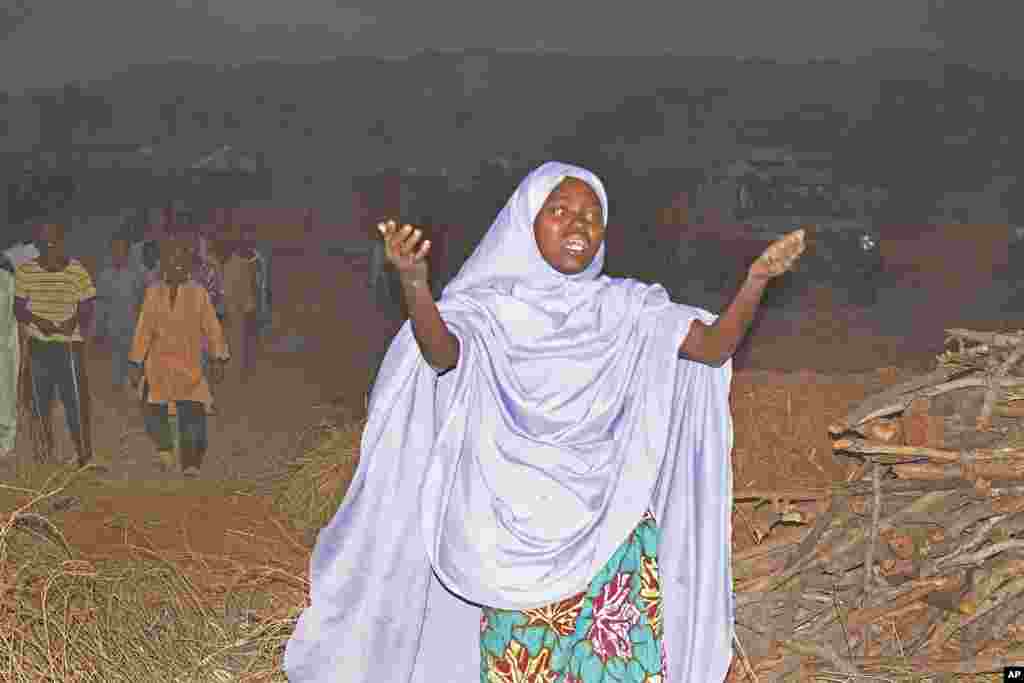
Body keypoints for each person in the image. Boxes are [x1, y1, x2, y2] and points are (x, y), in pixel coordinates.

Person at [284, 162, 805, 683]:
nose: (578, 225)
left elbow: (712, 349)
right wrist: (415, 287)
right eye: (559, 211)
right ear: (526, 221)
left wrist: (755, 281)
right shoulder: (490, 309)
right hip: (512, 541)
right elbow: (442, 354)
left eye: (591, 215)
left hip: (613, 530)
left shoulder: (627, 307)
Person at [128, 236, 228, 477]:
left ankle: (191, 462)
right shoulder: (153, 293)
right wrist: (135, 362)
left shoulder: (199, 294)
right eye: (170, 261)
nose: (176, 266)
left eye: (181, 261)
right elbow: (144, 329)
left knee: (193, 413)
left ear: (188, 265)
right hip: (158, 364)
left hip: (189, 363)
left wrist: (217, 358)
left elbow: (212, 328)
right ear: (162, 265)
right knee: (153, 409)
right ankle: (165, 450)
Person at [14, 223, 98, 466]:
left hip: (70, 345)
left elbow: (88, 304)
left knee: (76, 401)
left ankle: (84, 455)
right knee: (40, 402)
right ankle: (44, 453)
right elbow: (19, 309)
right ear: (38, 244)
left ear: (63, 241)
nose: (50, 246)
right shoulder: (26, 271)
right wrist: (40, 322)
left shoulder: (77, 271)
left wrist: (75, 320)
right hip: (38, 344)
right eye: (45, 241)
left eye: (55, 240)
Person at [0, 241, 39, 457]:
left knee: (6, 395)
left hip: (6, 348)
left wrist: (23, 350)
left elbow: (19, 319)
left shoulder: (9, 282)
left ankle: (6, 444)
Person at [94, 233, 146, 393]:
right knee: (116, 377)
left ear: (127, 251)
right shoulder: (104, 276)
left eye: (122, 249)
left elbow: (142, 304)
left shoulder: (136, 275)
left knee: (135, 376)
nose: (119, 253)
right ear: (111, 251)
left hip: (133, 331)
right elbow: (100, 306)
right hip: (113, 331)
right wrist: (98, 330)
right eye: (115, 249)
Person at [212, 222, 259, 384]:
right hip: (210, 326)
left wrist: (250, 331)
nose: (222, 241)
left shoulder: (241, 265)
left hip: (235, 327)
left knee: (234, 371)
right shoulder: (208, 265)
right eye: (218, 237)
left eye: (226, 238)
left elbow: (248, 302)